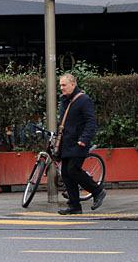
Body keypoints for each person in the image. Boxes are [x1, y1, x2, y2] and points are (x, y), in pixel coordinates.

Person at [56, 73, 106, 215]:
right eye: (60, 85)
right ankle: (74, 206)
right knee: (66, 173)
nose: (62, 88)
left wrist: (84, 139)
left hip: (78, 143)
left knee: (73, 170)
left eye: (64, 85)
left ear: (73, 84)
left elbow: (91, 122)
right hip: (66, 143)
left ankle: (97, 191)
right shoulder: (64, 100)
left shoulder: (84, 100)